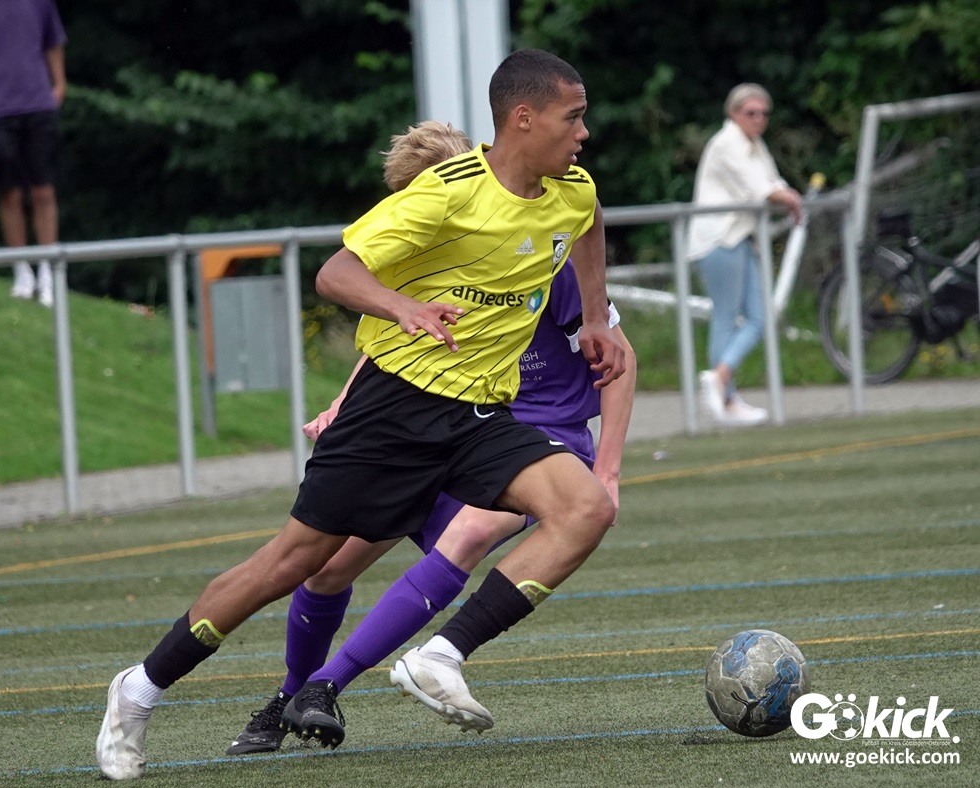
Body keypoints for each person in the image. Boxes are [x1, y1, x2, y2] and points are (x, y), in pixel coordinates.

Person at [96, 48, 625, 780]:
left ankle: (440, 655)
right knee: (292, 564)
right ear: (524, 118)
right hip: (393, 410)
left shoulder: (571, 189)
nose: (584, 133)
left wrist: (595, 315)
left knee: (587, 507)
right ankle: (139, 689)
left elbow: (589, 221)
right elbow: (336, 272)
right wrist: (403, 307)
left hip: (479, 416)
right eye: (574, 117)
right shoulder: (446, 193)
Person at [224, 123, 636, 755]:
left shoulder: (539, 255)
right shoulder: (423, 258)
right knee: (328, 566)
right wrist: (342, 405)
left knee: (466, 534)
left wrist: (606, 472)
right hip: (438, 428)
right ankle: (289, 697)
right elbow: (392, 347)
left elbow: (619, 361)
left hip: (536, 438)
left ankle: (340, 682)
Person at [687, 83, 802, 426]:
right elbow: (760, 189)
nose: (759, 119)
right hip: (719, 239)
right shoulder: (727, 142)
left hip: (740, 237)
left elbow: (773, 181)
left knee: (760, 317)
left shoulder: (753, 143)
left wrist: (788, 194)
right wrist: (791, 199)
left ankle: (721, 380)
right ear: (733, 113)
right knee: (726, 316)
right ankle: (725, 396)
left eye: (764, 113)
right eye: (751, 113)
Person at [0, 0, 66, 308]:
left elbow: (53, 40)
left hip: (37, 103)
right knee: (9, 193)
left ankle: (47, 271)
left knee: (43, 191)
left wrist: (59, 83)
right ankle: (22, 271)